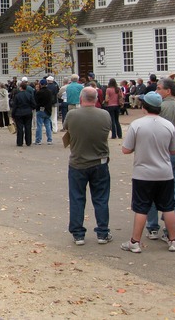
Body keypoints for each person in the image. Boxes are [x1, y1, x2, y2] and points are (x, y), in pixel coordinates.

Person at [121, 92, 175, 253]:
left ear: (144, 106)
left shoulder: (137, 124)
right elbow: (174, 150)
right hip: (164, 172)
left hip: (143, 173)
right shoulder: (168, 125)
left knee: (141, 207)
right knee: (168, 207)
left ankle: (135, 241)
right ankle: (173, 240)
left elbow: (126, 149)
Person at [63, 86, 112, 245]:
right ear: (96, 99)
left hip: (78, 162)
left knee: (77, 198)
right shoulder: (105, 114)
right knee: (101, 198)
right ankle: (102, 232)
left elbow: (66, 128)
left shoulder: (72, 115)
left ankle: (78, 234)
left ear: (80, 99)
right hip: (100, 161)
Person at [145, 78, 175, 240]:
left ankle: (152, 227)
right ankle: (172, 227)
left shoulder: (159, 108)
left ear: (168, 91)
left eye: (159, 89)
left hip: (160, 153)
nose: (157, 91)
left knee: (152, 190)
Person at [10, 81, 36, 147]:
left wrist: (13, 115)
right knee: (28, 127)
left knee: (20, 128)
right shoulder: (29, 95)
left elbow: (14, 106)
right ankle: (28, 142)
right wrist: (31, 108)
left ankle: (19, 142)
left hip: (19, 113)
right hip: (28, 112)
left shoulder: (17, 96)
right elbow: (34, 104)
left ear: (20, 88)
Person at [34, 79, 52, 145]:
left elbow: (36, 101)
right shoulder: (50, 92)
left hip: (40, 109)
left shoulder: (39, 92)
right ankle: (49, 140)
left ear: (40, 84)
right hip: (48, 110)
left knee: (39, 125)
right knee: (48, 125)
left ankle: (38, 140)